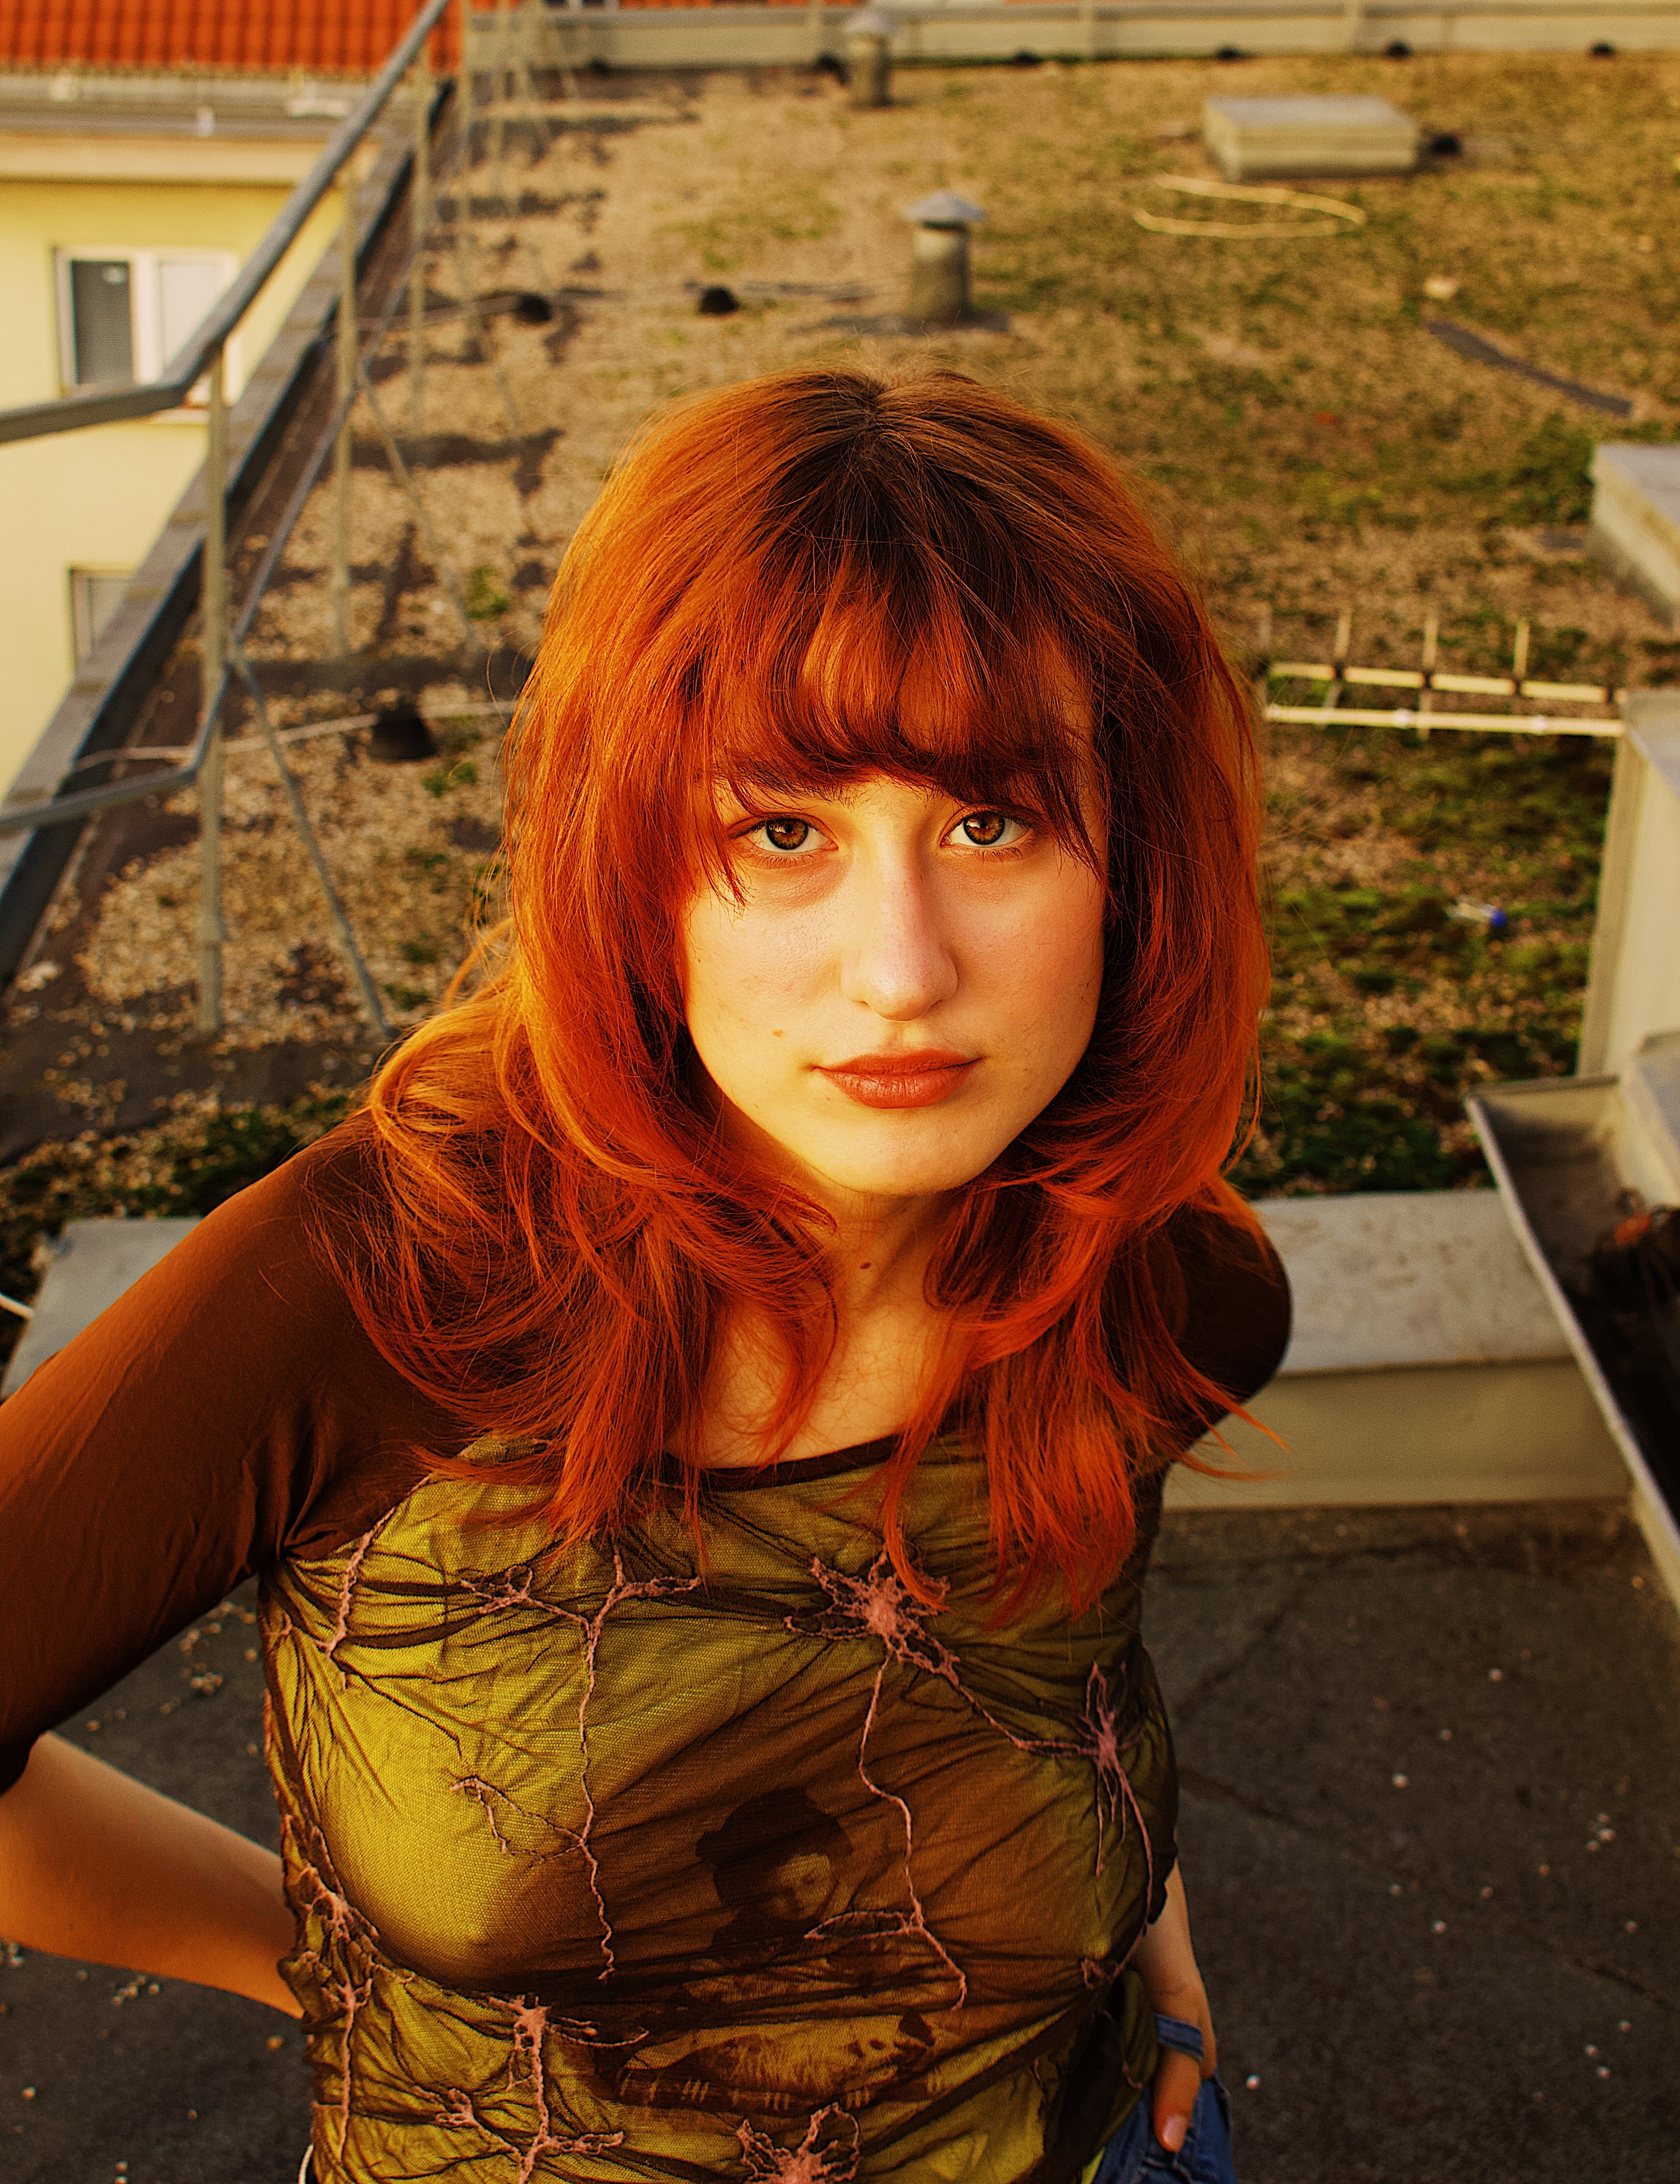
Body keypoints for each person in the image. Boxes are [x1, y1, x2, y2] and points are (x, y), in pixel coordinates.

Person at [0, 367, 1289, 2184]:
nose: (901, 970)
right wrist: (319, 1957)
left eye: (990, 823)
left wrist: (1146, 1926)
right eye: (783, 831)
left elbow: (1063, 1663)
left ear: (1136, 859)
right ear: (631, 862)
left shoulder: (1168, 1291)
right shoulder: (381, 1291)